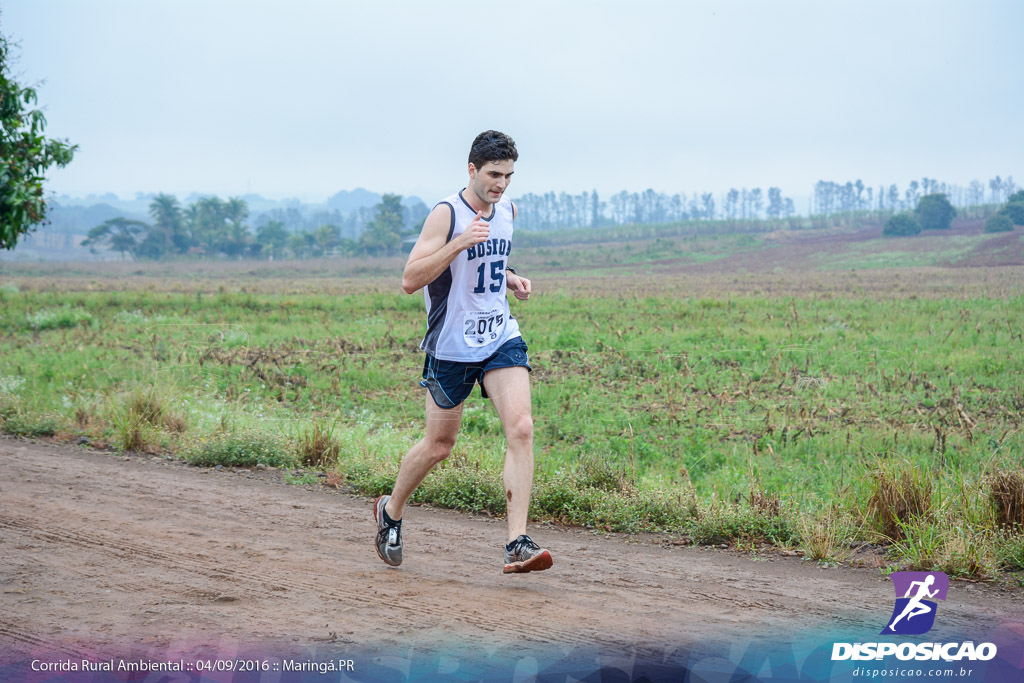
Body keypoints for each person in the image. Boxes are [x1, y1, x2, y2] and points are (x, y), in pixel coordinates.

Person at [373, 130, 553, 574]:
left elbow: (487, 260)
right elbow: (410, 279)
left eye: (509, 175)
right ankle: (391, 510)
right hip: (451, 346)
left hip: (498, 336)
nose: (502, 184)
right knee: (439, 445)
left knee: (522, 428)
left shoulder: (507, 210)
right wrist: (457, 242)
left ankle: (517, 542)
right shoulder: (446, 214)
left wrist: (508, 276)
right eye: (494, 174)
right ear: (471, 170)